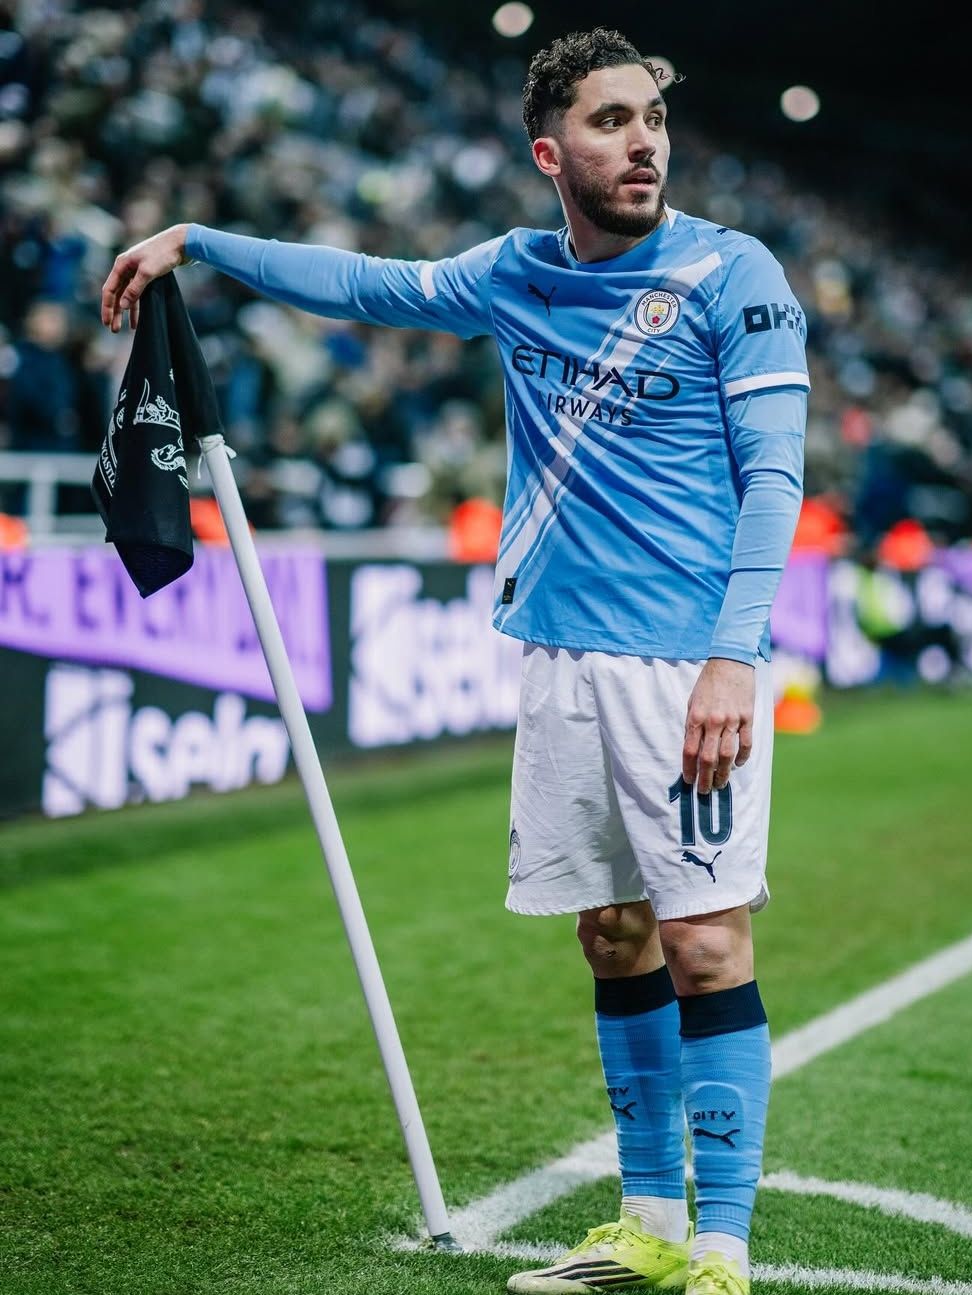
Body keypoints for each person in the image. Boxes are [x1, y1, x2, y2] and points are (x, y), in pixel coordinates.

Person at [100, 29, 809, 1295]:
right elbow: (365, 284)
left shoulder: (732, 272)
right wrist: (197, 242)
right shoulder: (516, 272)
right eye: (610, 121)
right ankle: (649, 1223)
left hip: (686, 663)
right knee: (613, 934)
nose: (643, 142)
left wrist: (735, 657)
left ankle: (723, 1248)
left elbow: (776, 481)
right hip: (561, 657)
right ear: (550, 152)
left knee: (706, 942)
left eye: (652, 118)